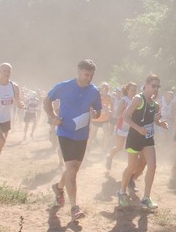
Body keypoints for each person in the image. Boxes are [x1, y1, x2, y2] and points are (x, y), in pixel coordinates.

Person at [44, 59, 102, 221]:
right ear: (78, 72)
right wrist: (53, 117)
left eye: (91, 75)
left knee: (74, 169)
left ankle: (58, 187)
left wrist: (95, 114)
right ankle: (74, 207)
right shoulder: (64, 86)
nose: (88, 78)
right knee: (71, 169)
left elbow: (98, 110)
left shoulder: (94, 91)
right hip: (65, 132)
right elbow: (47, 100)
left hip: (82, 135)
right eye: (85, 74)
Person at [117, 75, 168, 210]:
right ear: (146, 85)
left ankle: (146, 198)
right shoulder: (138, 99)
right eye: (153, 85)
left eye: (158, 86)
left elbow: (154, 120)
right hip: (135, 137)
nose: (156, 89)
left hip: (148, 138)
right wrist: (138, 128)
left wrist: (160, 123)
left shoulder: (156, 105)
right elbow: (125, 116)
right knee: (132, 166)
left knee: (152, 165)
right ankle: (122, 192)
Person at [106, 82, 137, 170]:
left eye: (135, 90)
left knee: (132, 147)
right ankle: (110, 157)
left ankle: (131, 168)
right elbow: (117, 113)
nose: (134, 92)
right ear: (127, 90)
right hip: (122, 127)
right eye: (132, 90)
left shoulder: (137, 100)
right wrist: (127, 115)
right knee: (119, 147)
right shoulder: (124, 100)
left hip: (132, 127)